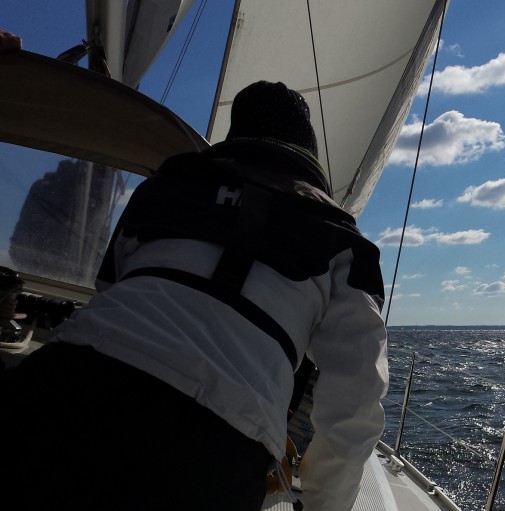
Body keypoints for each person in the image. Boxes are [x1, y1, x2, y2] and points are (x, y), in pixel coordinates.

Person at [0, 81, 388, 510]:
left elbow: (111, 289)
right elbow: (356, 396)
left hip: (61, 379)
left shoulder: (162, 189)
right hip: (212, 445)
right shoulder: (344, 243)